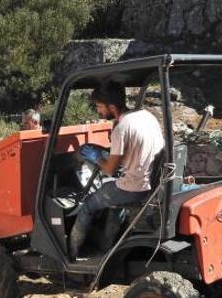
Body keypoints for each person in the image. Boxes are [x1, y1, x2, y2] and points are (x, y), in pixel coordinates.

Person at [68, 82, 165, 260]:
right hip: (150, 181)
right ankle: (106, 247)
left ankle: (72, 254)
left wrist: (97, 157)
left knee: (88, 205)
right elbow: (131, 153)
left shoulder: (121, 129)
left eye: (99, 107)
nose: (98, 111)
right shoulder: (146, 116)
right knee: (112, 202)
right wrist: (103, 154)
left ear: (112, 107)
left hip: (132, 188)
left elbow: (111, 170)